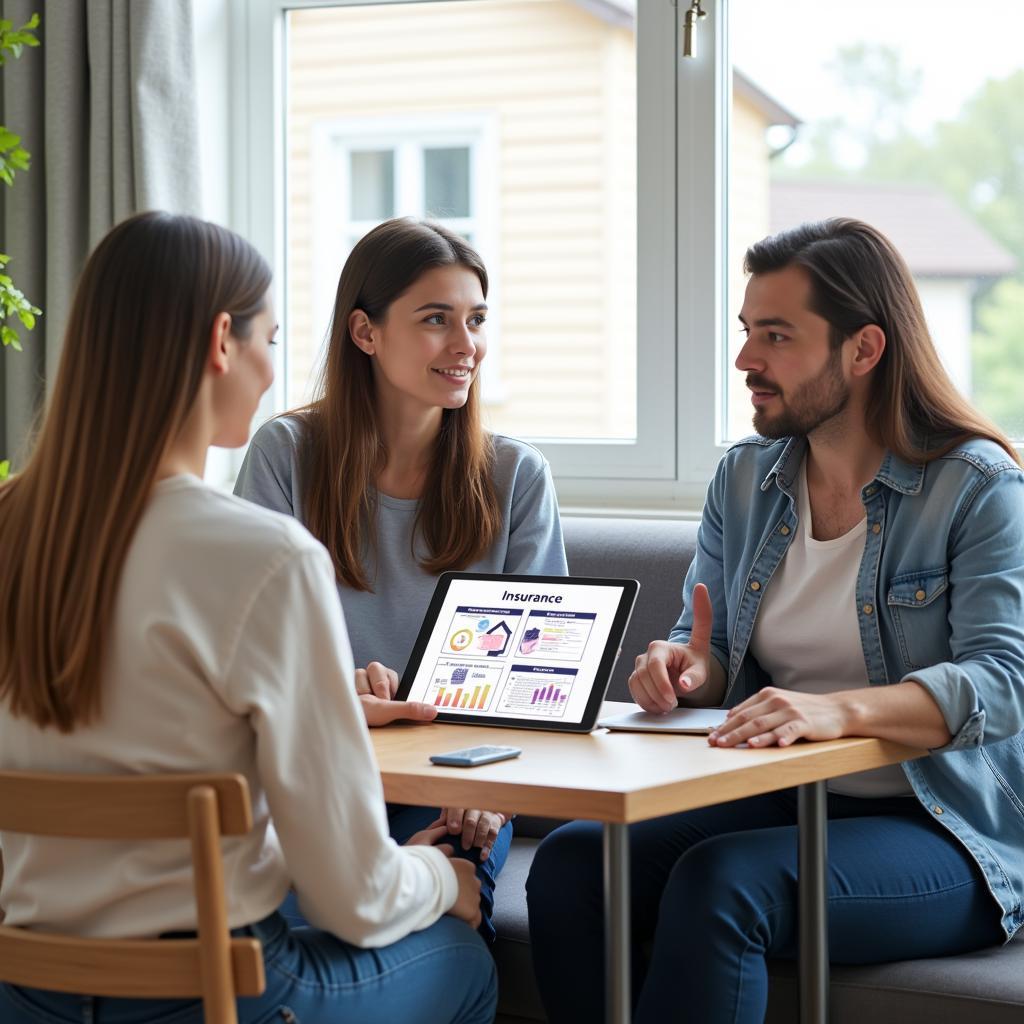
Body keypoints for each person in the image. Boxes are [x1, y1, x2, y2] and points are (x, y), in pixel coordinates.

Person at [0, 212, 496, 1024]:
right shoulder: (265, 556)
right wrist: (448, 880)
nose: (272, 369)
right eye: (268, 337)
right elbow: (358, 901)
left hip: (24, 990)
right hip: (213, 994)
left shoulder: (14, 524)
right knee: (464, 958)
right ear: (220, 343)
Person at [526, 218, 1024, 1023]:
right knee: (575, 861)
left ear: (864, 349)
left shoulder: (977, 487)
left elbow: (1005, 684)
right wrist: (689, 671)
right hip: (788, 797)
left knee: (721, 884)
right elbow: (717, 652)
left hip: (945, 828)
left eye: (777, 336)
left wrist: (837, 710)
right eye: (747, 331)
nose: (745, 361)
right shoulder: (745, 481)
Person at [234, 217, 568, 940]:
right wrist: (335, 689)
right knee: (293, 935)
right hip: (313, 775)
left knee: (441, 919)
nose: (465, 345)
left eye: (476, 320)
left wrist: (490, 792)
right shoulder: (286, 455)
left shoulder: (516, 476)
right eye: (435, 320)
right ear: (365, 332)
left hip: (455, 783)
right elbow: (244, 654)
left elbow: (539, 685)